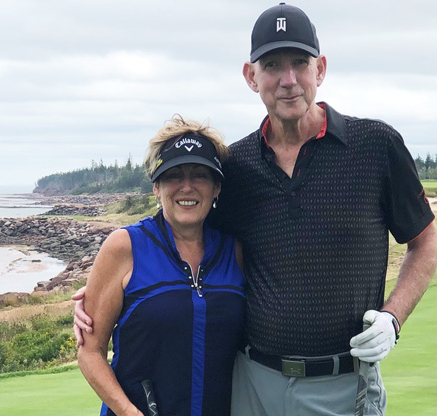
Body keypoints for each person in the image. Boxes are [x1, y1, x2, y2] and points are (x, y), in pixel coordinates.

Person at [74, 3, 437, 415]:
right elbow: (188, 241)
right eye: (272, 65)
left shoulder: (375, 144)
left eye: (299, 63)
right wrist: (112, 287)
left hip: (343, 382)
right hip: (251, 387)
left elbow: (425, 241)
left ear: (320, 69)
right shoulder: (236, 166)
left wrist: (393, 317)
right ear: (251, 76)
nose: (288, 80)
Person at [77, 116, 245, 416]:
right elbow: (90, 351)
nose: (187, 187)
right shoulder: (125, 246)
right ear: (156, 188)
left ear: (216, 187)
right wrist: (129, 412)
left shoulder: (234, 251)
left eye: (200, 175)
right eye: (173, 176)